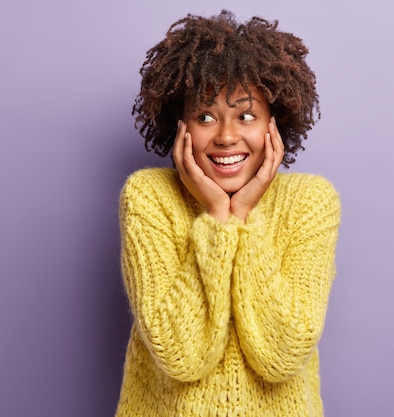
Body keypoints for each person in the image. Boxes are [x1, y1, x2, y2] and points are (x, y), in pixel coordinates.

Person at [115, 10, 341, 417]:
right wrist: (220, 216)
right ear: (180, 125)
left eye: (246, 115)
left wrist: (244, 217)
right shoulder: (149, 197)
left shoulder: (311, 202)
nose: (225, 136)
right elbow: (180, 356)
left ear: (276, 123)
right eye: (205, 117)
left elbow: (282, 356)